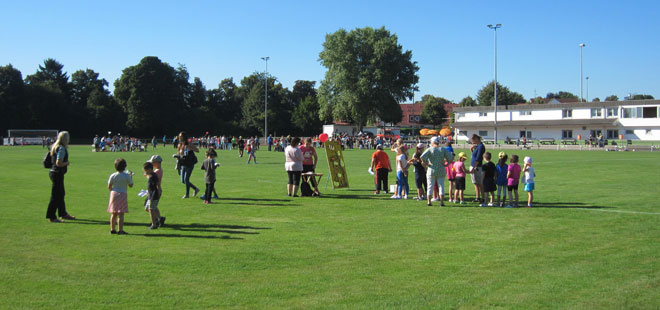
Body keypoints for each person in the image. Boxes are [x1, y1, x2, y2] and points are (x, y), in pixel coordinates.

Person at [46, 131, 76, 223]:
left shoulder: (55, 146)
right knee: (56, 195)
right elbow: (58, 163)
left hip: (54, 173)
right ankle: (52, 216)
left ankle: (63, 213)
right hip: (57, 173)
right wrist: (67, 163)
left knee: (61, 194)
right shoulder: (61, 148)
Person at [420, 136, 453, 207]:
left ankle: (429, 202)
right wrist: (447, 164)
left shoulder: (430, 149)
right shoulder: (443, 149)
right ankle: (442, 202)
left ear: (432, 142)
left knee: (430, 186)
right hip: (441, 169)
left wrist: (425, 163)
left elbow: (422, 157)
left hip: (431, 169)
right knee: (441, 186)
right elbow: (450, 157)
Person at [107, 158, 133, 234]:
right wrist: (131, 176)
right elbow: (131, 185)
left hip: (114, 193)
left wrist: (112, 191)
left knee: (113, 213)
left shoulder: (112, 175)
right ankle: (120, 230)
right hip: (122, 194)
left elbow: (109, 186)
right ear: (124, 167)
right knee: (121, 214)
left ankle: (112, 229)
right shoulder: (126, 176)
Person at [176, 131, 200, 199]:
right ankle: (195, 189)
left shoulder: (189, 144)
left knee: (186, 179)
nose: (179, 137)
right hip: (182, 163)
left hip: (189, 163)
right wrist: (177, 163)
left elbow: (197, 150)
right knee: (183, 181)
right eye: (179, 136)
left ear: (184, 137)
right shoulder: (179, 145)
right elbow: (178, 154)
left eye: (180, 136)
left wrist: (190, 148)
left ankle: (187, 194)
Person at [146, 155, 166, 226]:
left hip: (154, 191)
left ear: (157, 163)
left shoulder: (156, 172)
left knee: (150, 207)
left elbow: (153, 181)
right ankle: (158, 218)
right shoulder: (159, 170)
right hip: (154, 190)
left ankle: (156, 220)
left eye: (153, 163)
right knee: (152, 207)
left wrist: (147, 175)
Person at [142, 162, 163, 229]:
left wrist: (158, 192)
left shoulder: (153, 176)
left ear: (150, 169)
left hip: (153, 195)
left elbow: (158, 185)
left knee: (151, 209)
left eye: (145, 170)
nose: (145, 171)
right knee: (147, 208)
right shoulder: (151, 175)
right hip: (150, 195)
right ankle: (159, 218)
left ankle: (154, 224)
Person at [469, 134, 486, 206]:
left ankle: (483, 198)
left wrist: (474, 167)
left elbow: (478, 158)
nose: (472, 142)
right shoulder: (477, 146)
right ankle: (478, 197)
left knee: (480, 183)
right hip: (474, 166)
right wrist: (471, 149)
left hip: (477, 167)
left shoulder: (481, 146)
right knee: (475, 183)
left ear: (476, 139)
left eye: (473, 141)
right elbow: (474, 156)